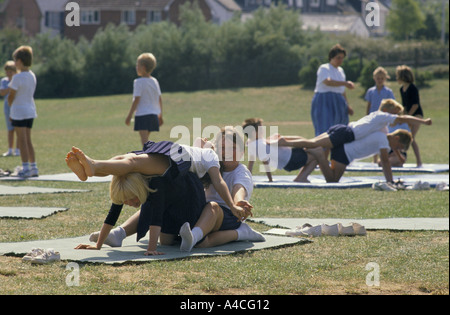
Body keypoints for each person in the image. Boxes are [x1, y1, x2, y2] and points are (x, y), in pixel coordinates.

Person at [66, 140, 249, 240]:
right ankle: (93, 168)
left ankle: (93, 169)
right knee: (131, 162)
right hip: (177, 159)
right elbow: (218, 182)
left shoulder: (205, 154)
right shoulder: (210, 157)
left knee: (129, 160)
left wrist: (232, 206)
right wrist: (233, 206)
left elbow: (217, 181)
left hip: (172, 152)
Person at [179, 127, 264, 252]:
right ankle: (241, 232)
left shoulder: (241, 172)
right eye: (223, 148)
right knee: (170, 241)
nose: (227, 152)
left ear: (242, 152)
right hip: (205, 214)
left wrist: (238, 202)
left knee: (212, 208)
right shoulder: (212, 166)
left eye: (232, 148)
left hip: (229, 215)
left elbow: (239, 189)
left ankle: (196, 236)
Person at [278, 99, 431, 151]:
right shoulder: (383, 116)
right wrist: (423, 121)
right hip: (346, 134)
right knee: (313, 144)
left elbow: (387, 137)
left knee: (314, 142)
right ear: (387, 111)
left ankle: (284, 139)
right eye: (395, 114)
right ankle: (284, 142)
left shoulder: (378, 121)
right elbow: (404, 118)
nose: (396, 118)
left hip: (344, 128)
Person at [309, 129, 413, 184]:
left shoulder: (382, 137)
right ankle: (319, 154)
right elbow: (385, 163)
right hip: (345, 152)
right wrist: (390, 182)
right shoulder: (383, 140)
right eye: (398, 147)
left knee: (333, 179)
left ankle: (319, 155)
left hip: (346, 152)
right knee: (332, 180)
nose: (396, 150)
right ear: (396, 138)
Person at [243, 118, 322, 183]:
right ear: (254, 133)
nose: (263, 130)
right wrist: (270, 180)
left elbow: (251, 164)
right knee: (315, 157)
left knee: (309, 148)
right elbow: (265, 162)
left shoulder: (251, 144)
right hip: (292, 159)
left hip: (290, 157)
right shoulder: (260, 145)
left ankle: (301, 177)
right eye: (261, 129)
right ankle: (301, 178)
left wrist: (248, 179)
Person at [311, 44, 354, 138]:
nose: (340, 60)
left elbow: (342, 91)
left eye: (342, 58)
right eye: (338, 58)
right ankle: (322, 151)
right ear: (331, 57)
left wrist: (347, 105)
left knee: (339, 130)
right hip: (324, 100)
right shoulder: (324, 68)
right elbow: (327, 81)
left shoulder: (341, 71)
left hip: (338, 101)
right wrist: (345, 83)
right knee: (324, 131)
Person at [8, 46, 38, 177]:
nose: (14, 63)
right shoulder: (32, 75)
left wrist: (10, 108)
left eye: (15, 60)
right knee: (28, 140)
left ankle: (25, 168)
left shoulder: (17, 77)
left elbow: (11, 96)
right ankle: (33, 167)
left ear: (20, 61)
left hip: (19, 112)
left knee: (22, 141)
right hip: (30, 110)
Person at [125, 53, 163, 146]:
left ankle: (149, 159)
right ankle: (148, 156)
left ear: (143, 67)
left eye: (138, 65)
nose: (136, 67)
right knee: (146, 142)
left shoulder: (138, 82)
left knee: (145, 143)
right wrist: (160, 115)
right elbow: (159, 99)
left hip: (142, 116)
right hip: (153, 116)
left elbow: (136, 100)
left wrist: (129, 116)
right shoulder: (154, 81)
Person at [396, 65, 425, 167]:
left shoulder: (412, 88)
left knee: (411, 138)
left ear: (403, 76)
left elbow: (415, 104)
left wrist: (408, 116)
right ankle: (399, 158)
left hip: (416, 115)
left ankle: (419, 162)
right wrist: (402, 116)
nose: (397, 78)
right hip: (408, 115)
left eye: (398, 76)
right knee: (407, 138)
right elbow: (404, 105)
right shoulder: (401, 89)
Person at [0, 61, 19, 157]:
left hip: (17, 107)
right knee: (10, 129)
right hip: (7, 108)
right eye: (7, 71)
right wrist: (11, 86)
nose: (8, 73)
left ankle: (18, 150)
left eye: (10, 71)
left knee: (19, 129)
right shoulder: (4, 81)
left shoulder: (18, 79)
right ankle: (10, 150)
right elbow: (2, 92)